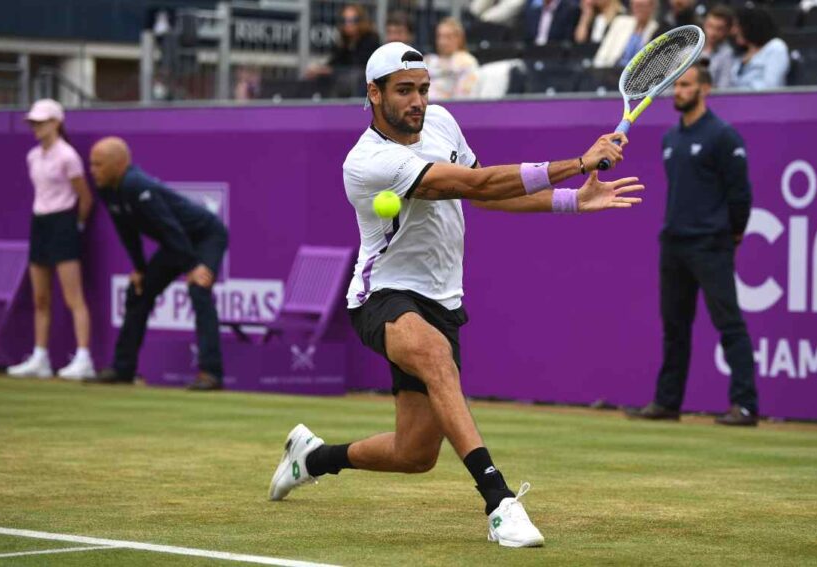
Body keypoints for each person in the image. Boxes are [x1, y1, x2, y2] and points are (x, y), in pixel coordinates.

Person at [267, 42, 643, 548]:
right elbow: (479, 184)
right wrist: (576, 162)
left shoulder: (442, 123)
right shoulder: (368, 161)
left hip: (442, 301)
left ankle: (311, 458)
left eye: (422, 89)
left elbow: (493, 193)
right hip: (383, 295)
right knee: (436, 358)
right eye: (404, 91)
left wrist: (572, 200)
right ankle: (499, 501)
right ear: (374, 95)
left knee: (414, 454)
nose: (417, 101)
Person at [624, 65, 758, 426]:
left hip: (711, 244)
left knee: (728, 323)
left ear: (705, 89)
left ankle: (744, 405)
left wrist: (732, 234)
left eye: (685, 85)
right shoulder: (670, 139)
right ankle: (668, 403)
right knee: (675, 327)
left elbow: (740, 195)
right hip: (674, 242)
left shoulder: (723, 136)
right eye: (676, 85)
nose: (677, 91)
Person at [85, 137, 228, 391]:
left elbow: (168, 227)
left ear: (119, 164)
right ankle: (123, 368)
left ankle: (211, 373)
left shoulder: (136, 185)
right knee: (139, 292)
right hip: (178, 243)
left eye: (98, 164)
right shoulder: (107, 189)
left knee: (199, 290)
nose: (92, 170)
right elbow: (126, 230)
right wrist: (140, 268)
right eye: (91, 164)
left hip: (205, 236)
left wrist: (193, 267)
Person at [7, 99, 96, 380]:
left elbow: (85, 198)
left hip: (63, 223)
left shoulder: (68, 156)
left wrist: (75, 226)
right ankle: (40, 357)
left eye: (41, 122)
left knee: (73, 297)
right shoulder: (33, 156)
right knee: (41, 297)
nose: (36, 127)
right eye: (33, 122)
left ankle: (83, 358)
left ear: (56, 123)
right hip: (40, 223)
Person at [728, 6, 789, 90]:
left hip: (763, 101)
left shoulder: (776, 47)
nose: (733, 31)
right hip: (734, 101)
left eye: (737, 26)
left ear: (751, 26)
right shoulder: (739, 53)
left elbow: (771, 86)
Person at [593, 0, 663, 68]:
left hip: (636, 75)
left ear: (652, 7)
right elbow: (603, 52)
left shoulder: (656, 29)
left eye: (643, 6)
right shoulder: (620, 22)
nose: (639, 10)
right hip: (611, 70)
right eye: (636, 5)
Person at [424, 18, 480, 100]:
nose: (442, 42)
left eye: (448, 37)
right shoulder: (428, 60)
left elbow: (465, 96)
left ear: (459, 39)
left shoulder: (467, 62)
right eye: (439, 36)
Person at [700, 5, 738, 90]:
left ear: (728, 31)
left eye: (719, 29)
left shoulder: (729, 55)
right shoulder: (690, 49)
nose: (713, 33)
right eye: (710, 26)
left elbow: (722, 90)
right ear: (704, 24)